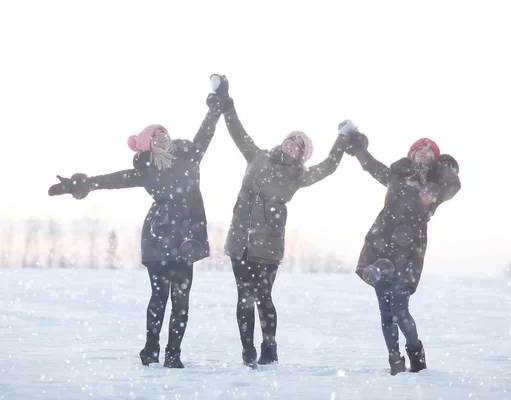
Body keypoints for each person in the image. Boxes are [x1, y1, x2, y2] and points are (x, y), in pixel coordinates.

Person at [48, 82, 226, 368]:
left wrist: (217, 105)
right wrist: (78, 184)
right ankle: (151, 349)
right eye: (155, 137)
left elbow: (206, 132)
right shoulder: (147, 171)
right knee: (159, 296)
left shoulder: (189, 157)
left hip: (185, 240)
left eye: (163, 133)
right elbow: (109, 180)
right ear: (148, 146)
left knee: (181, 301)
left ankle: (173, 354)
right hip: (158, 238)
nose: (162, 137)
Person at [211, 75, 351, 369]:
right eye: (291, 139)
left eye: (299, 145)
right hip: (240, 239)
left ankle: (269, 348)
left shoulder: (298, 176)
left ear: (302, 155)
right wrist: (227, 102)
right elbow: (238, 131)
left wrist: (342, 140)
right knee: (243, 297)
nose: (292, 145)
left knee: (263, 296)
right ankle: (247, 351)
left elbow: (328, 167)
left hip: (268, 244)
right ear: (284, 140)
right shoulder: (257, 156)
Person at [341, 122, 461, 375]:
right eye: (420, 149)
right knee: (386, 311)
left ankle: (416, 351)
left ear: (434, 161)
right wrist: (357, 145)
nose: (424, 152)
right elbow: (371, 166)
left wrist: (446, 168)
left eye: (430, 152)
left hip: (409, 252)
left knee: (400, 309)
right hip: (380, 246)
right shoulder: (396, 176)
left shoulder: (436, 187)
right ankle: (395, 361)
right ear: (411, 154)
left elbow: (454, 186)